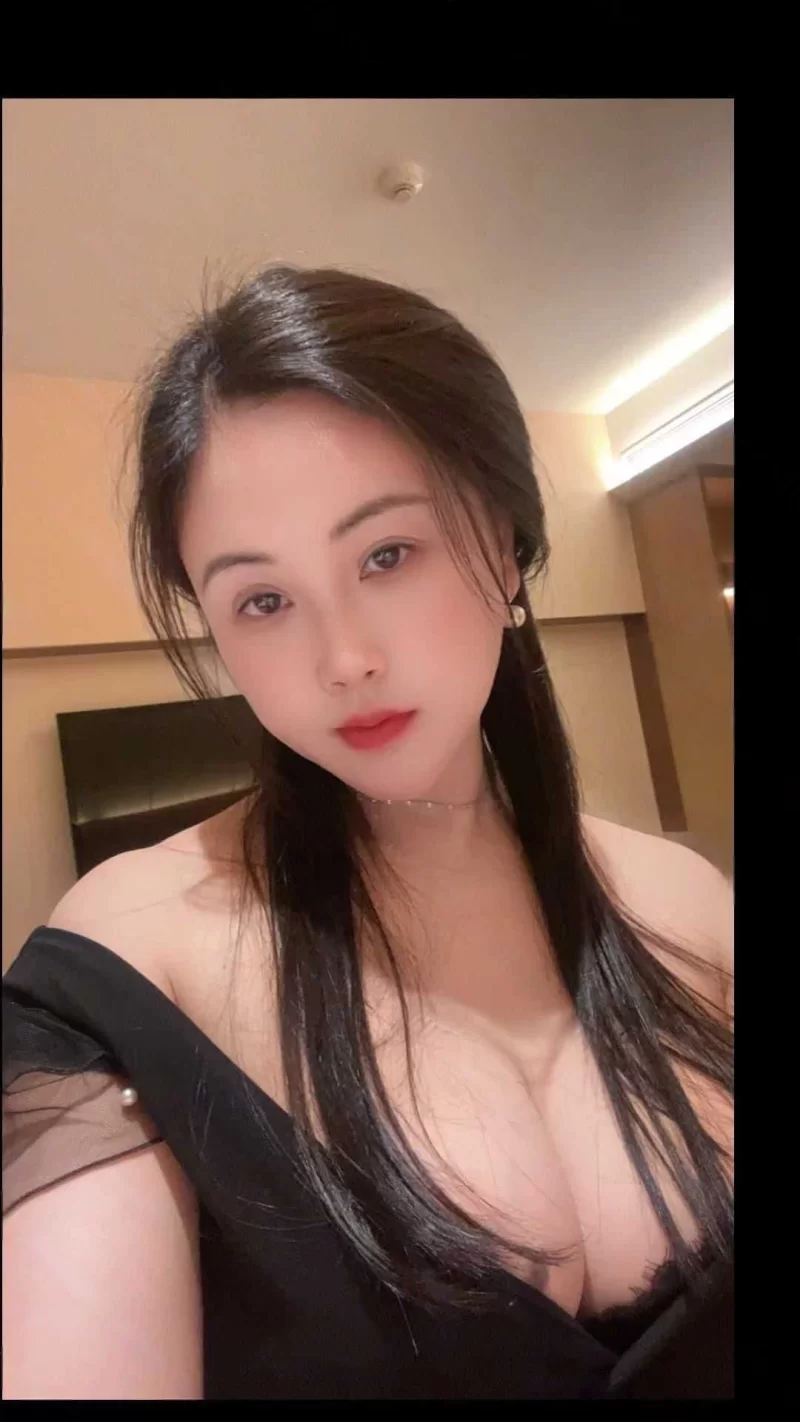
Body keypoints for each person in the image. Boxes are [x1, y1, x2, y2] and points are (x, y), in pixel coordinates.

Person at [2, 265, 733, 1400]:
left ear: (505, 545)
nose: (342, 658)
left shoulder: (684, 902)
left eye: (386, 555)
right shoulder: (126, 966)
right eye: (262, 600)